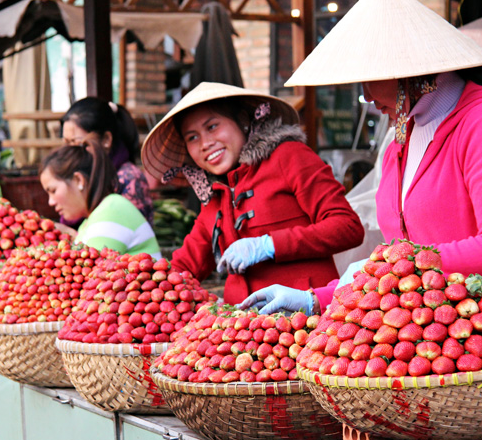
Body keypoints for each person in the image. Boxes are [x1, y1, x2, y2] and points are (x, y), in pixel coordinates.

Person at [239, 0, 482, 319]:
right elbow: (399, 273)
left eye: (370, 78)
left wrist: (394, 263)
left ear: (409, 71)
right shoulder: (398, 144)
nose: (366, 95)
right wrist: (315, 299)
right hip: (447, 340)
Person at [141, 82, 364, 305]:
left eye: (212, 127)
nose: (205, 143)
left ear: (243, 121)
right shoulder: (214, 196)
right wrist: (140, 282)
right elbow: (184, 267)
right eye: (192, 137)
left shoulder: (289, 156)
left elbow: (347, 227)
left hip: (308, 322)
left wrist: (269, 245)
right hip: (241, 330)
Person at [39, 142, 161, 259]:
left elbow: (88, 271)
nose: (51, 202)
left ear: (78, 180)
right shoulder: (90, 220)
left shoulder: (111, 210)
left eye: (53, 191)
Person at [60, 97, 154, 226]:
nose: (70, 151)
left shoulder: (129, 179)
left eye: (77, 143)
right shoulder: (80, 175)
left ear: (106, 140)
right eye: (66, 143)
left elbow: (120, 237)